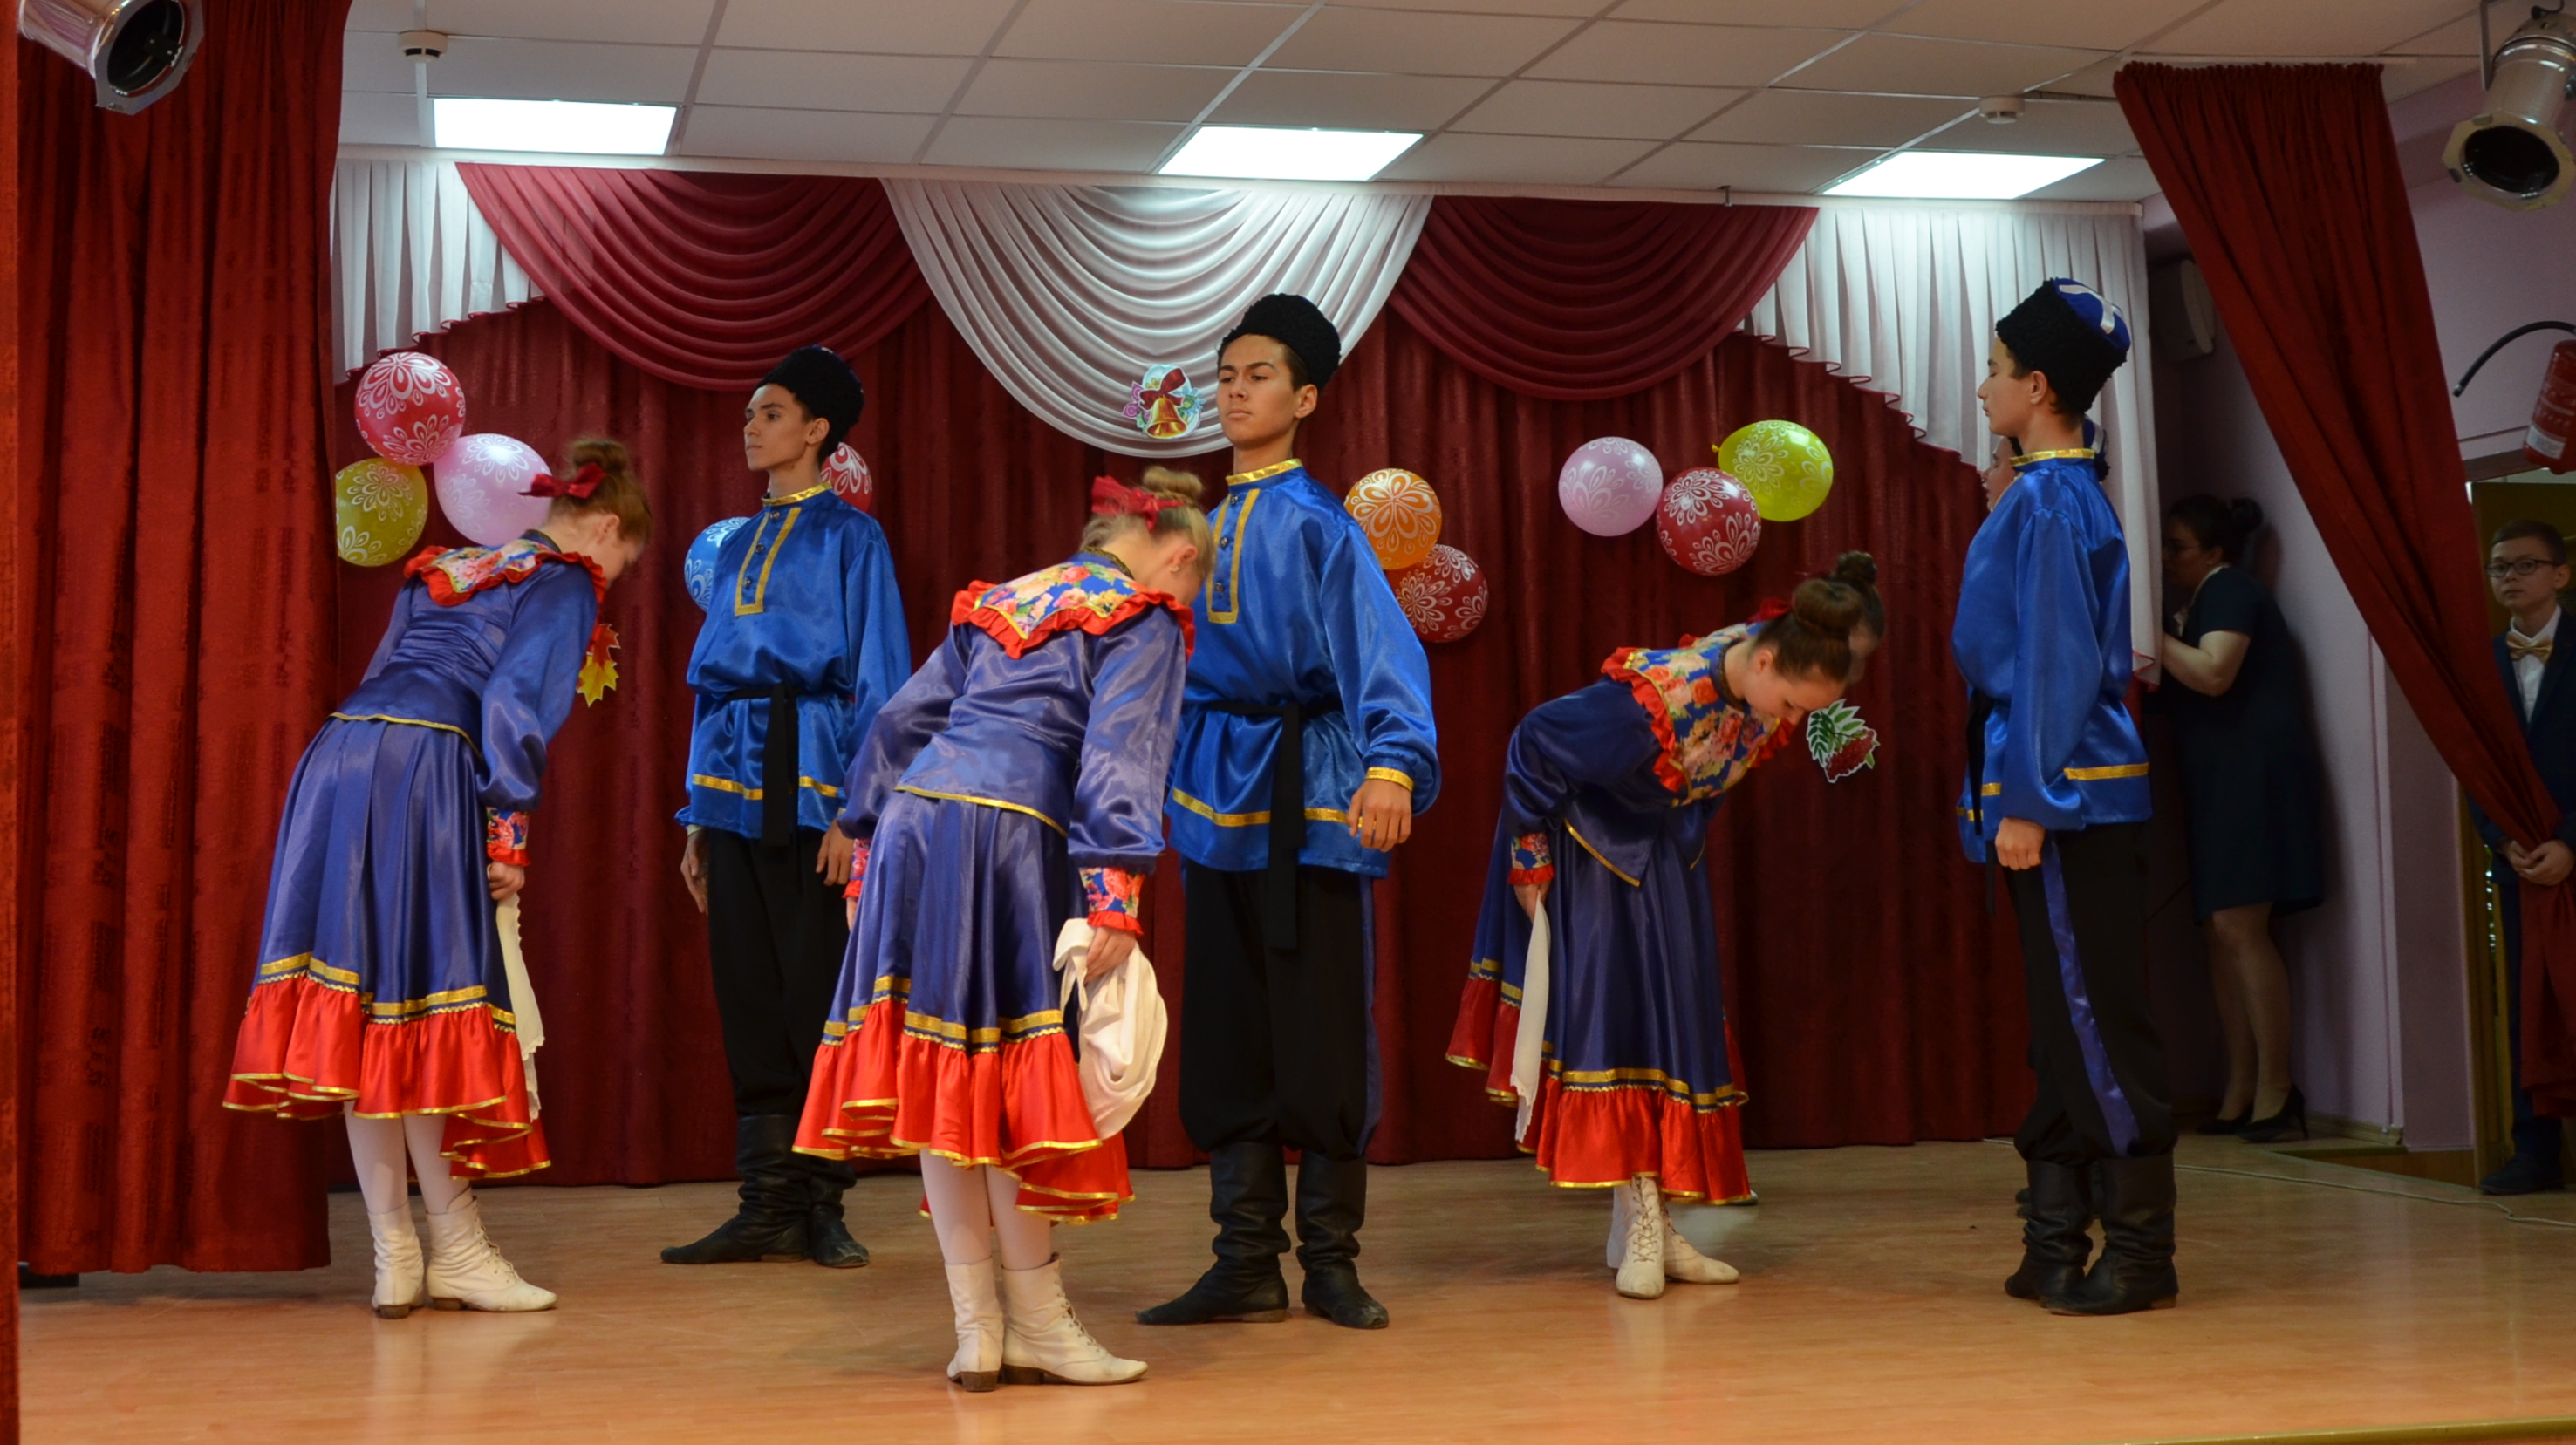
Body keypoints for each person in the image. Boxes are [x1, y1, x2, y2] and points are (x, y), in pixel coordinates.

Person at [799, 469, 1214, 1390]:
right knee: (1013, 1087)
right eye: (1193, 587)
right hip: (1007, 835)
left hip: (913, 823)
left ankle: (978, 1333)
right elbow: (1122, 753)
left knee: (947, 1082)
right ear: (1180, 558)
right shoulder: (1143, 617)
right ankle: (1040, 1324)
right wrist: (1114, 891)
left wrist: (862, 838)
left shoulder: (1003, 599)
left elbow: (901, 719)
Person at [227, 438, 652, 1318]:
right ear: (605, 529)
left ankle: (398, 1258)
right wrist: (508, 830)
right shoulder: (566, 579)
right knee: (425, 1006)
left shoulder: (444, 568)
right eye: (624, 563)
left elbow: (385, 669)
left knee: (367, 1013)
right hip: (425, 770)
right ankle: (456, 1250)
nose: (614, 578)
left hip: (342, 757)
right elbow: (513, 702)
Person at [1450, 562, 1877, 1298]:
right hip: (1595, 862)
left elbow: (1706, 779)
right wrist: (1529, 854)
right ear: (1764, 663)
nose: (1790, 721)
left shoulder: (1760, 686)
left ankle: (1645, 1227)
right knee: (1620, 1031)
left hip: (1662, 857)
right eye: (1790, 703)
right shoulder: (1655, 699)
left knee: (1671, 1027)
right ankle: (1643, 1224)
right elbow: (1536, 739)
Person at [1139, 293, 1439, 1333]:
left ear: (1304, 398)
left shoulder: (1321, 524)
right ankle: (1243, 1261)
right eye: (1225, 376)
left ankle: (1333, 1263)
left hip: (1311, 796)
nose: (1235, 392)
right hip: (1214, 795)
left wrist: (1392, 766)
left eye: (1258, 375)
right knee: (1228, 1032)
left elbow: (1380, 653)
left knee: (1319, 1030)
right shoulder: (1190, 531)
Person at [665, 345, 911, 1271]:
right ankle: (763, 1202)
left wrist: (859, 814)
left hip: (813, 787)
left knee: (815, 994)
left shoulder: (854, 539)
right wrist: (696, 817)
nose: (752, 426)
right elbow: (708, 686)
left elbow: (882, 680)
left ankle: (821, 1203)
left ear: (815, 430)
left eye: (770, 412)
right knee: (748, 993)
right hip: (732, 784)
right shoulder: (733, 545)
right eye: (750, 413)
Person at [1959, 278, 2176, 1317]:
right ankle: (2052, 1242)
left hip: (2069, 798)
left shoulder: (2050, 500)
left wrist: (2030, 799)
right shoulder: (2049, 489)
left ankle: (2138, 1252)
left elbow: (2052, 660)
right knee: (2059, 1024)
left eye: (1995, 370)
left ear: (2038, 386)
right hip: (2059, 786)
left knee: (2092, 1021)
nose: (1983, 388)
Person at [2473, 518, 2576, 1202]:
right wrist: (2500, 838)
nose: (2510, 577)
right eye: (2498, 567)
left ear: (2560, 575)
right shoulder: (2483, 660)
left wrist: (2572, 844)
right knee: (2526, 1006)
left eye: (2525, 565)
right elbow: (2475, 768)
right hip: (2519, 865)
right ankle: (2535, 1150)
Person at [2155, 494, 2327, 1143]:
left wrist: (2148, 636)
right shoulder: (2205, 598)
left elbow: (2215, 673)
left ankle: (2277, 1087)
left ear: (2214, 552)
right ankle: (2241, 1086)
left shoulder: (2230, 590)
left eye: (2178, 547)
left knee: (2239, 926)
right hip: (2221, 777)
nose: (2167, 558)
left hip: (2252, 775)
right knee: (2219, 932)